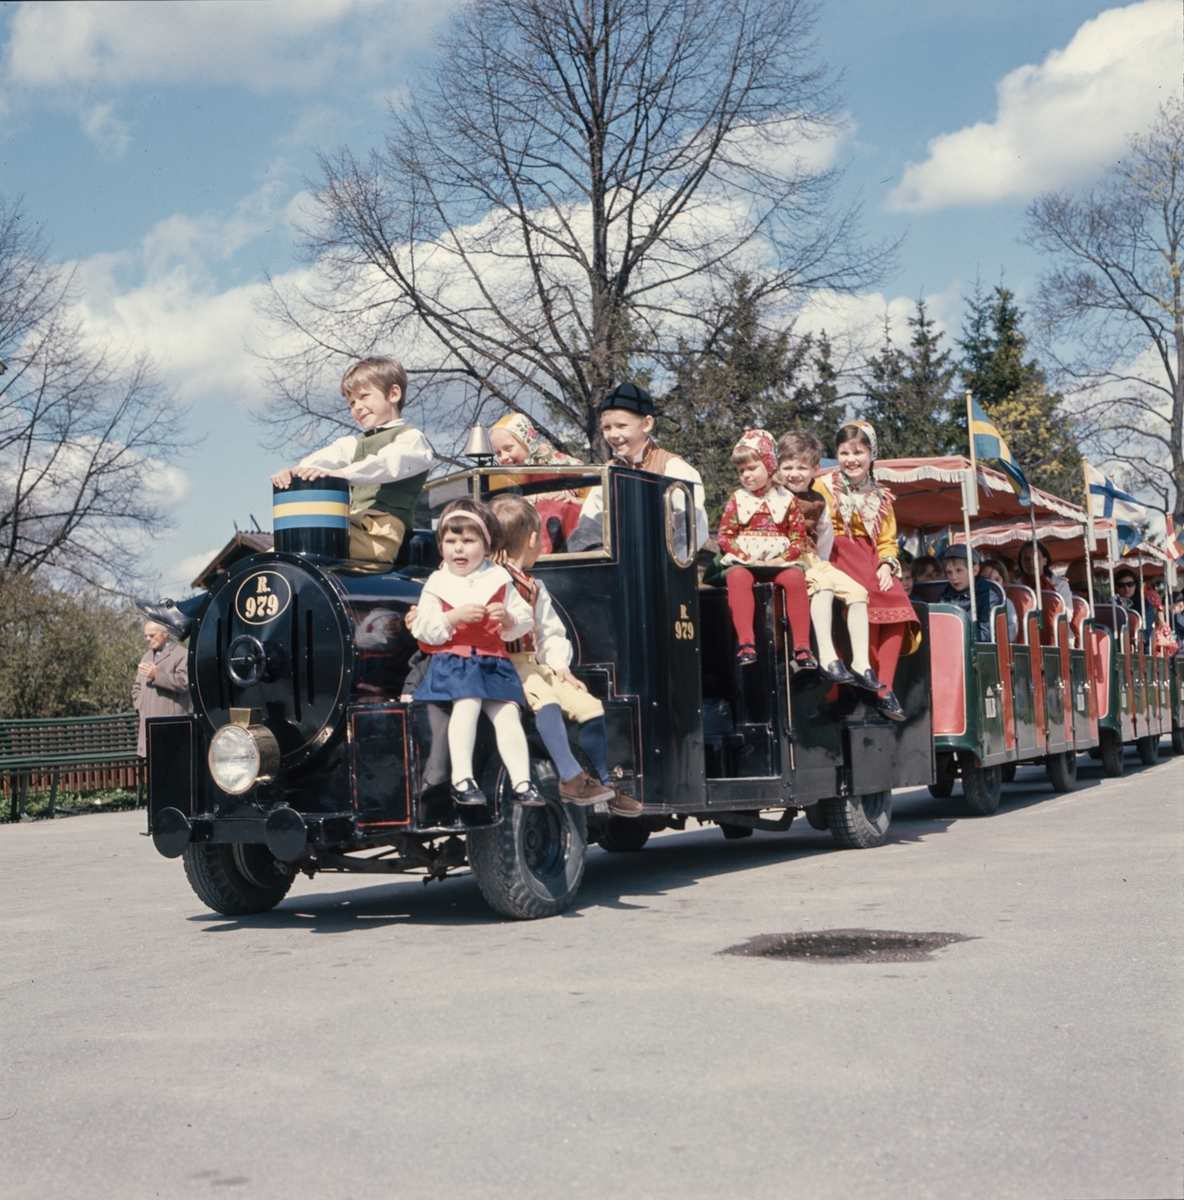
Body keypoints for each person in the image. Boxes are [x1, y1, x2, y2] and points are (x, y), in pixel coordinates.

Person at [137, 356, 434, 639]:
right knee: (267, 560)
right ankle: (191, 614)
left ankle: (193, 614)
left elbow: (390, 464)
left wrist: (344, 474)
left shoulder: (411, 439)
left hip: (378, 536)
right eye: (351, 402)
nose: (356, 407)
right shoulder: (352, 444)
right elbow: (317, 462)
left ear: (394, 393)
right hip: (348, 529)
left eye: (364, 397)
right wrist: (290, 473)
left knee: (288, 555)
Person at [489, 494, 642, 817]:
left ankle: (600, 785)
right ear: (533, 540)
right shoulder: (492, 578)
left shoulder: (533, 585)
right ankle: (571, 778)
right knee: (547, 702)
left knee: (588, 706)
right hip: (504, 662)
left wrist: (560, 666)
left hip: (534, 663)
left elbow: (549, 631)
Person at [407, 498, 543, 809]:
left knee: (508, 712)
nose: (459, 549)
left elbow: (523, 618)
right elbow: (423, 627)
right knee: (466, 704)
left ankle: (522, 781)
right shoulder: (438, 583)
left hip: (492, 660)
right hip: (454, 661)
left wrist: (506, 618)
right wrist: (453, 618)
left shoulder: (498, 579)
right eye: (450, 541)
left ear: (487, 544)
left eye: (468, 541)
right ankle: (462, 779)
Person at [813, 420, 921, 722]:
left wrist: (887, 564)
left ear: (872, 453)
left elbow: (887, 540)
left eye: (858, 452)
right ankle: (865, 672)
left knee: (898, 598)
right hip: (836, 551)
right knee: (868, 595)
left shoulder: (881, 497)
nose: (851, 459)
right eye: (844, 452)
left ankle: (884, 687)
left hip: (870, 556)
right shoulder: (823, 485)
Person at [775, 430, 877, 688]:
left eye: (802, 467)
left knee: (857, 592)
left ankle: (861, 663)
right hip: (787, 556)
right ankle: (827, 656)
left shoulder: (819, 500)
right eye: (787, 467)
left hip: (812, 557)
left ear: (815, 468)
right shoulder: (774, 495)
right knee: (823, 585)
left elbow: (824, 536)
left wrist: (820, 562)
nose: (794, 473)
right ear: (778, 467)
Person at [570, 382, 709, 552]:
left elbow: (692, 530)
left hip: (661, 569)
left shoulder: (672, 468)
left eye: (622, 425)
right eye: (607, 427)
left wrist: (668, 563)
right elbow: (589, 524)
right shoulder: (607, 473)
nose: (613, 435)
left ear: (646, 424)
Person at [489, 413, 586, 553]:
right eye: (498, 453)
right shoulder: (503, 481)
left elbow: (596, 504)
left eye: (509, 448)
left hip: (565, 548)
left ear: (526, 441)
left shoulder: (564, 466)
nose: (504, 457)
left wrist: (572, 499)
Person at [132, 622, 190, 757]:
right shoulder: (146, 656)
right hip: (148, 727)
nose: (148, 639)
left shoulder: (182, 655)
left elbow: (184, 682)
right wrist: (141, 707)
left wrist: (157, 675)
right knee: (152, 774)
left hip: (171, 726)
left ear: (165, 633)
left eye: (152, 635)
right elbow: (136, 687)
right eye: (146, 636)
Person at [937, 545, 996, 643]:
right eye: (949, 572)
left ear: (975, 570)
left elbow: (984, 635)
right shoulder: (944, 597)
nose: (953, 577)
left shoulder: (988, 598)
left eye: (959, 570)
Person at [1017, 542, 1073, 607]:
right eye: (1026, 559)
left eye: (1036, 557)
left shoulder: (1060, 584)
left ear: (1044, 561)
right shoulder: (1018, 587)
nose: (1031, 562)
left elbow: (1067, 612)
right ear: (1021, 563)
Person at [978, 557, 1018, 641]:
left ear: (1003, 583)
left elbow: (1010, 630)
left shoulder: (1006, 603)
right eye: (986, 578)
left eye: (997, 579)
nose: (992, 583)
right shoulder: (973, 601)